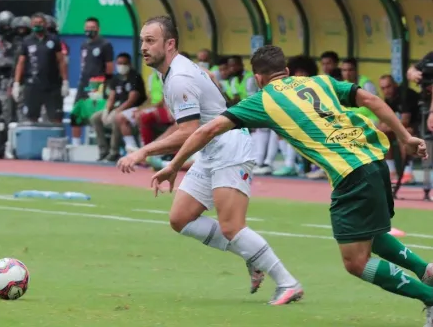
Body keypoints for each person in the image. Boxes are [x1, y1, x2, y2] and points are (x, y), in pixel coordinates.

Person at [152, 45, 433, 325]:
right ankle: (426, 272)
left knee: (356, 262)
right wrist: (404, 137)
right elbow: (370, 99)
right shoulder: (319, 81)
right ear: (286, 71)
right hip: (374, 160)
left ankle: (429, 297)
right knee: (371, 236)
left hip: (351, 174)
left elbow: (209, 128)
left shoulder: (263, 99)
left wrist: (174, 165)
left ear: (258, 78)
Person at [118, 16, 302, 305]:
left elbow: (188, 132)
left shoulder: (179, 78)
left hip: (229, 149)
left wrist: (145, 152)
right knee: (180, 219)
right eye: (142, 40)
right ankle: (250, 254)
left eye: (150, 41)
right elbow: (191, 121)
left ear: (170, 44)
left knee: (232, 227)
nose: (143, 47)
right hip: (209, 149)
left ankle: (288, 283)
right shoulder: (173, 71)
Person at [12, 13, 69, 123]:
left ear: (45, 24)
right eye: (35, 23)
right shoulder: (27, 41)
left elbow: (61, 61)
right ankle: (33, 139)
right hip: (32, 86)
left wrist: (65, 82)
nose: (38, 25)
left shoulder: (54, 40)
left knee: (55, 118)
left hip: (52, 86)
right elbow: (21, 63)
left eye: (40, 23)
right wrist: (16, 83)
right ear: (31, 25)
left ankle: (55, 139)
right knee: (31, 118)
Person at [90, 53, 147, 162]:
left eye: (124, 63)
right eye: (119, 63)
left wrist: (117, 111)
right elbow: (111, 97)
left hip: (132, 109)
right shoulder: (116, 78)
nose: (121, 66)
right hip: (117, 108)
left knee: (117, 118)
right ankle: (103, 150)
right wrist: (107, 110)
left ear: (129, 64)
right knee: (95, 118)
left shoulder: (135, 76)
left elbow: (132, 99)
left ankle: (114, 152)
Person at [71, 17, 114, 146]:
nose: (89, 31)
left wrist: (105, 84)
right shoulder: (84, 44)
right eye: (87, 28)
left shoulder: (105, 45)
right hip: (83, 83)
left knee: (94, 115)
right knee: (76, 113)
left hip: (97, 84)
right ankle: (76, 145)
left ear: (98, 29)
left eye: (92, 28)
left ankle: (100, 145)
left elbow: (110, 68)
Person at [379, 74, 420, 184]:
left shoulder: (404, 94)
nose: (386, 90)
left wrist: (387, 126)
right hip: (408, 127)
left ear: (395, 85)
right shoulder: (388, 99)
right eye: (383, 88)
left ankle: (408, 174)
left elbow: (405, 121)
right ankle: (391, 172)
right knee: (383, 135)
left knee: (403, 134)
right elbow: (384, 119)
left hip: (422, 126)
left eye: (388, 86)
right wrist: (383, 127)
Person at [407, 52, 433, 133]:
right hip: (426, 103)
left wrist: (432, 112)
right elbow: (411, 71)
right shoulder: (430, 56)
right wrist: (413, 73)